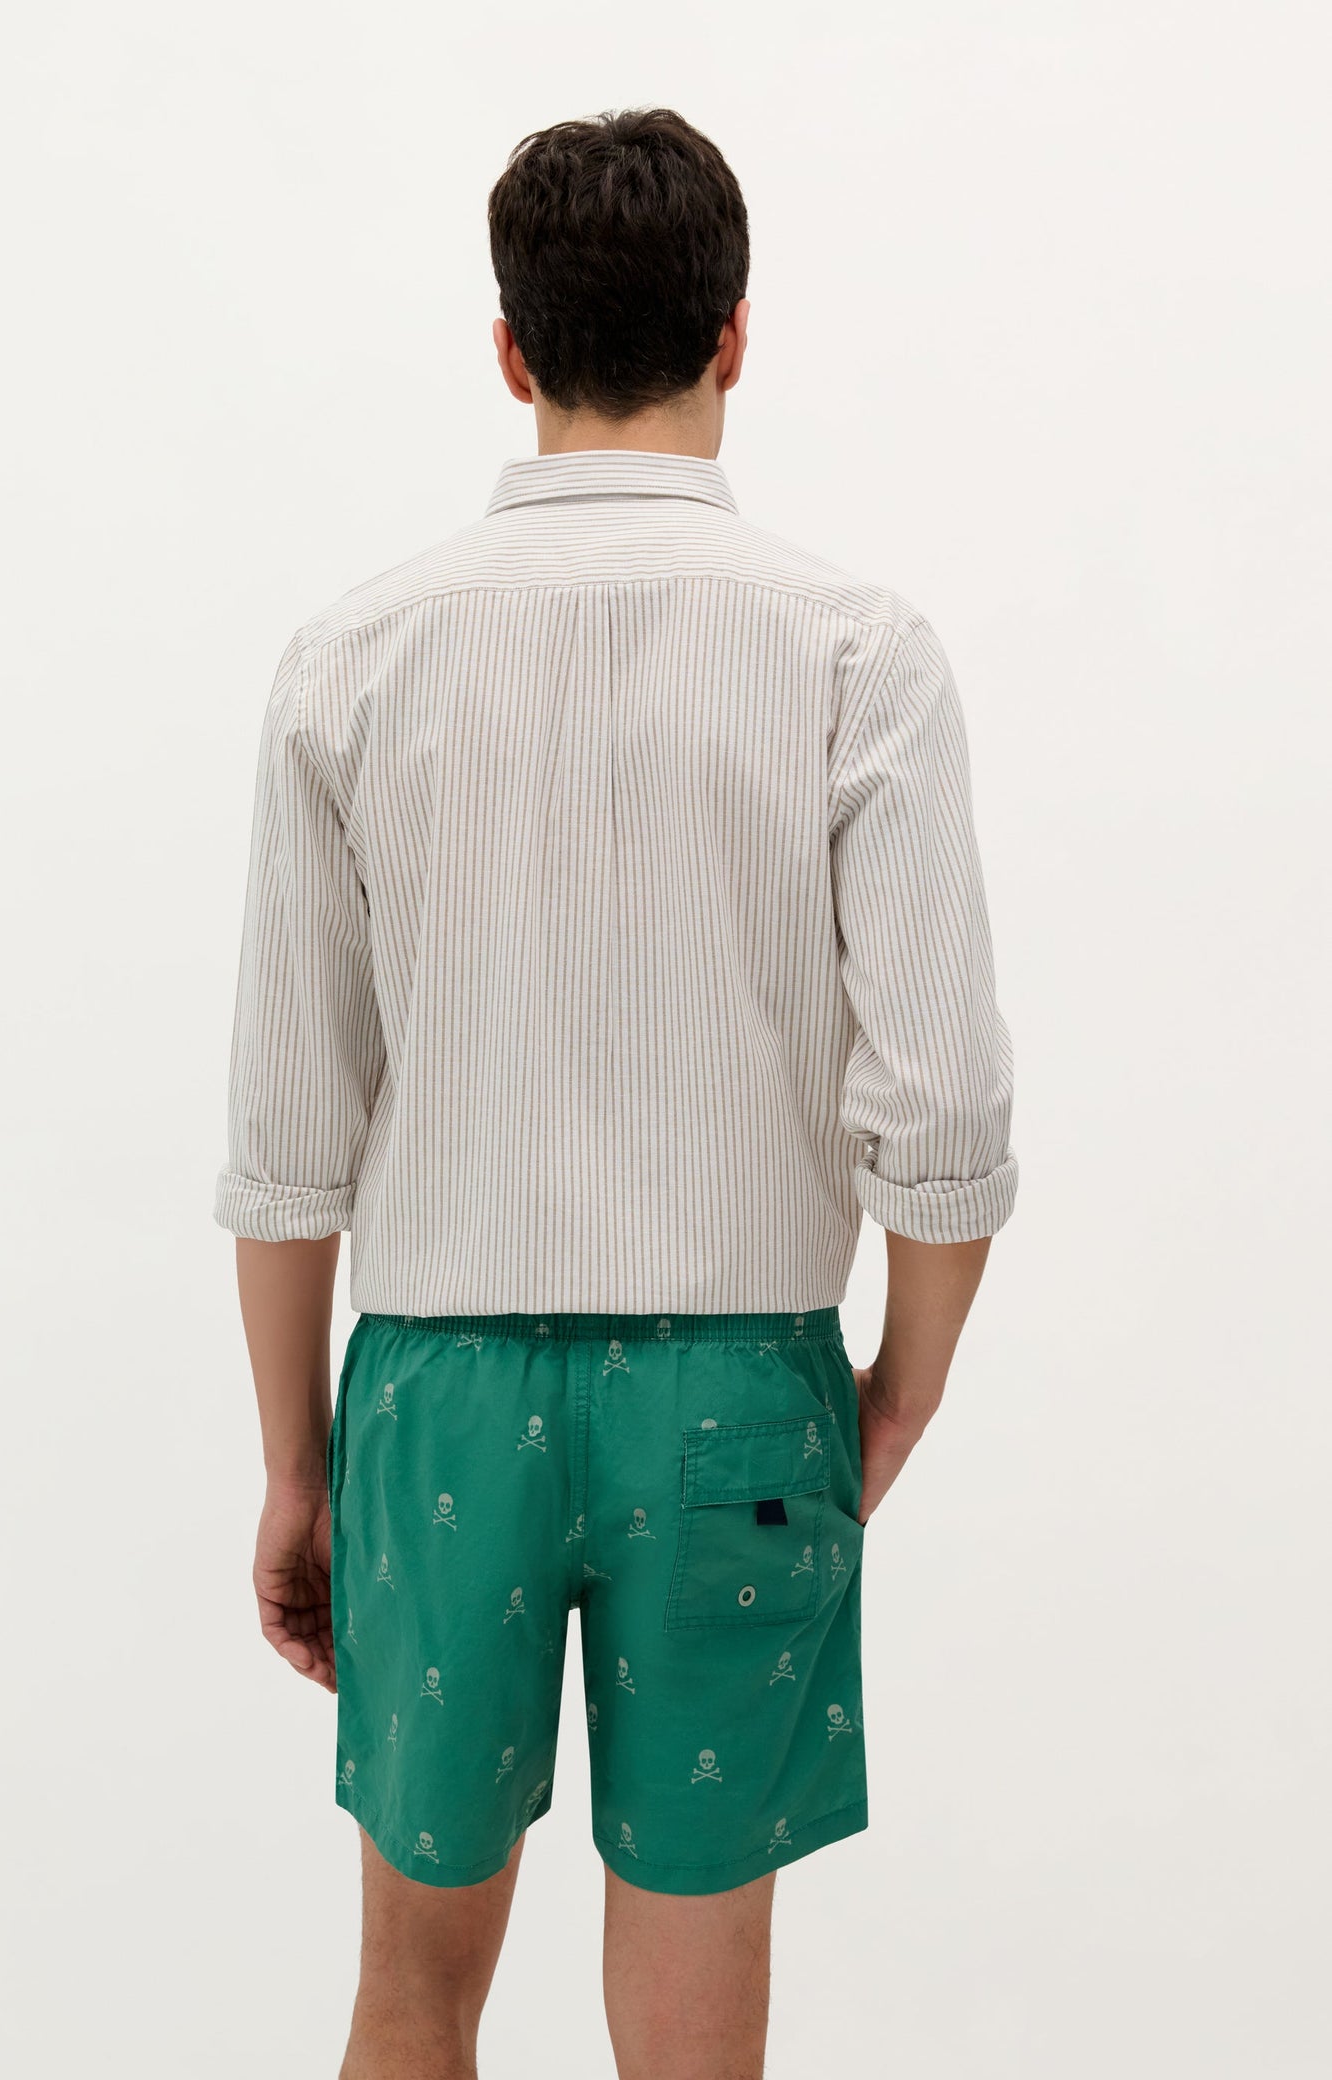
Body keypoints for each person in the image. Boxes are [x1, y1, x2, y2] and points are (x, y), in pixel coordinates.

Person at [214, 105, 1017, 2080]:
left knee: (411, 1983)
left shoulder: (351, 658)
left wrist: (299, 1461)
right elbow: (941, 1104)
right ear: (736, 333)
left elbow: (288, 1135)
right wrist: (900, 1385)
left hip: (436, 1393)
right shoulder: (857, 651)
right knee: (696, 2017)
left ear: (510, 350)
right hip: (739, 1390)